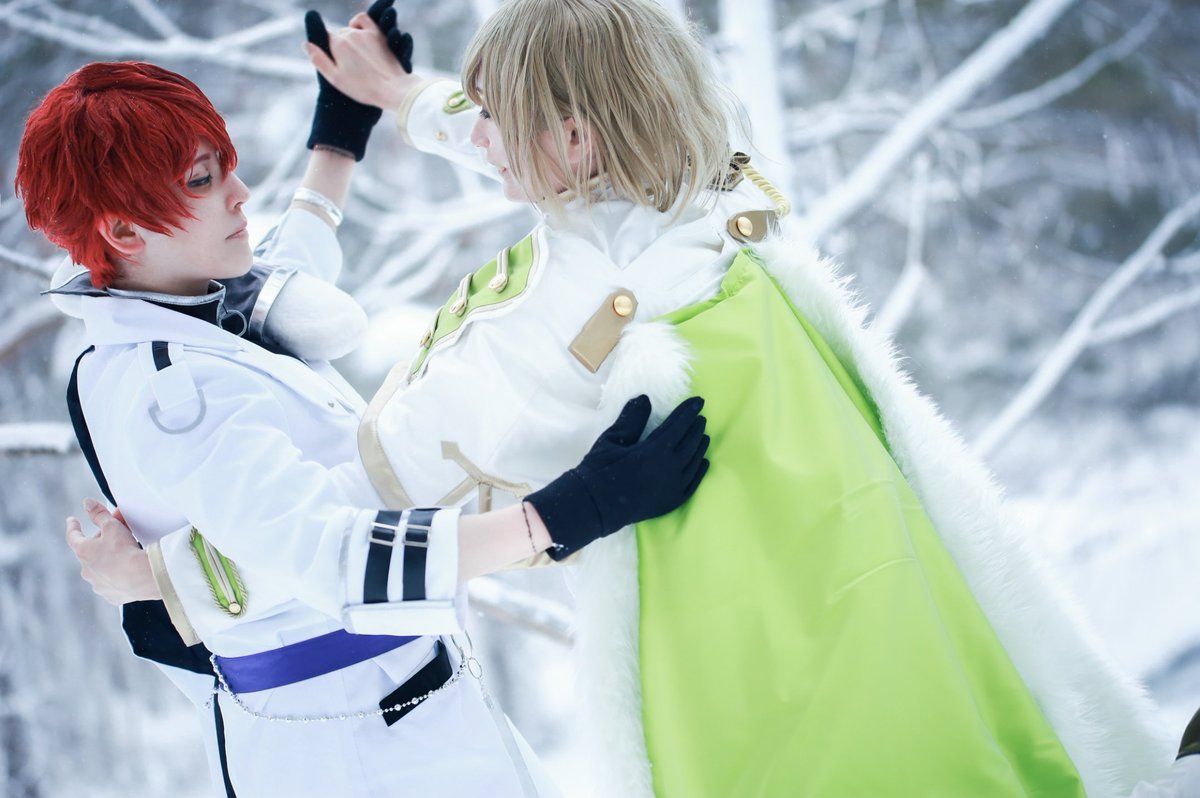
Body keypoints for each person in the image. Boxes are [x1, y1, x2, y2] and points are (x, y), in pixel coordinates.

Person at [74, 1, 1175, 795]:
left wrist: (169, 589)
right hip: (837, 556)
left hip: (707, 645)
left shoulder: (556, 331)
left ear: (571, 139)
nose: (482, 136)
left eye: (499, 119)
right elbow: (566, 134)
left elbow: (348, 520)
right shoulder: (716, 182)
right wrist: (400, 99)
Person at [18, 51, 709, 798]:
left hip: (397, 705)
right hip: (350, 746)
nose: (242, 196)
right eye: (202, 180)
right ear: (124, 230)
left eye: (227, 166)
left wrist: (339, 134)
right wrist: (569, 512)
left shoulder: (183, 303)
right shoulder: (174, 391)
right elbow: (333, 557)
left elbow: (291, 276)